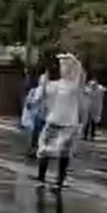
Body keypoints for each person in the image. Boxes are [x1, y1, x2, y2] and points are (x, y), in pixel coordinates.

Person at [36, 53, 86, 191]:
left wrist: (74, 60)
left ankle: (60, 180)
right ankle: (41, 177)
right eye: (61, 66)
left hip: (69, 124)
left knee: (64, 152)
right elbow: (42, 97)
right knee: (45, 150)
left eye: (65, 66)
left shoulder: (75, 86)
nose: (63, 69)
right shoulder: (54, 85)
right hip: (53, 120)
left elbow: (81, 75)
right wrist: (44, 80)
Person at [21, 72, 48, 159]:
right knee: (37, 134)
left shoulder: (39, 90)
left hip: (39, 115)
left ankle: (34, 150)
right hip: (38, 115)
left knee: (36, 134)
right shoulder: (37, 90)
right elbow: (31, 102)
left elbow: (31, 102)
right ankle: (35, 150)